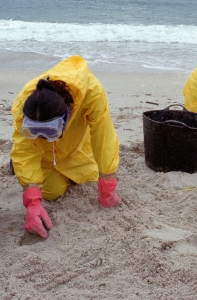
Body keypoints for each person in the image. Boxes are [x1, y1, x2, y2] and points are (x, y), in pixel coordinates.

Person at [10, 56, 121, 238]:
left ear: (67, 115)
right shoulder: (25, 104)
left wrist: (108, 185)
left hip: (76, 146)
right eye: (38, 132)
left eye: (49, 133)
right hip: (43, 153)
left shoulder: (92, 92)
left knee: (89, 178)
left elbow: (104, 137)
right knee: (51, 192)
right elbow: (24, 148)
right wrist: (32, 202)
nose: (45, 137)